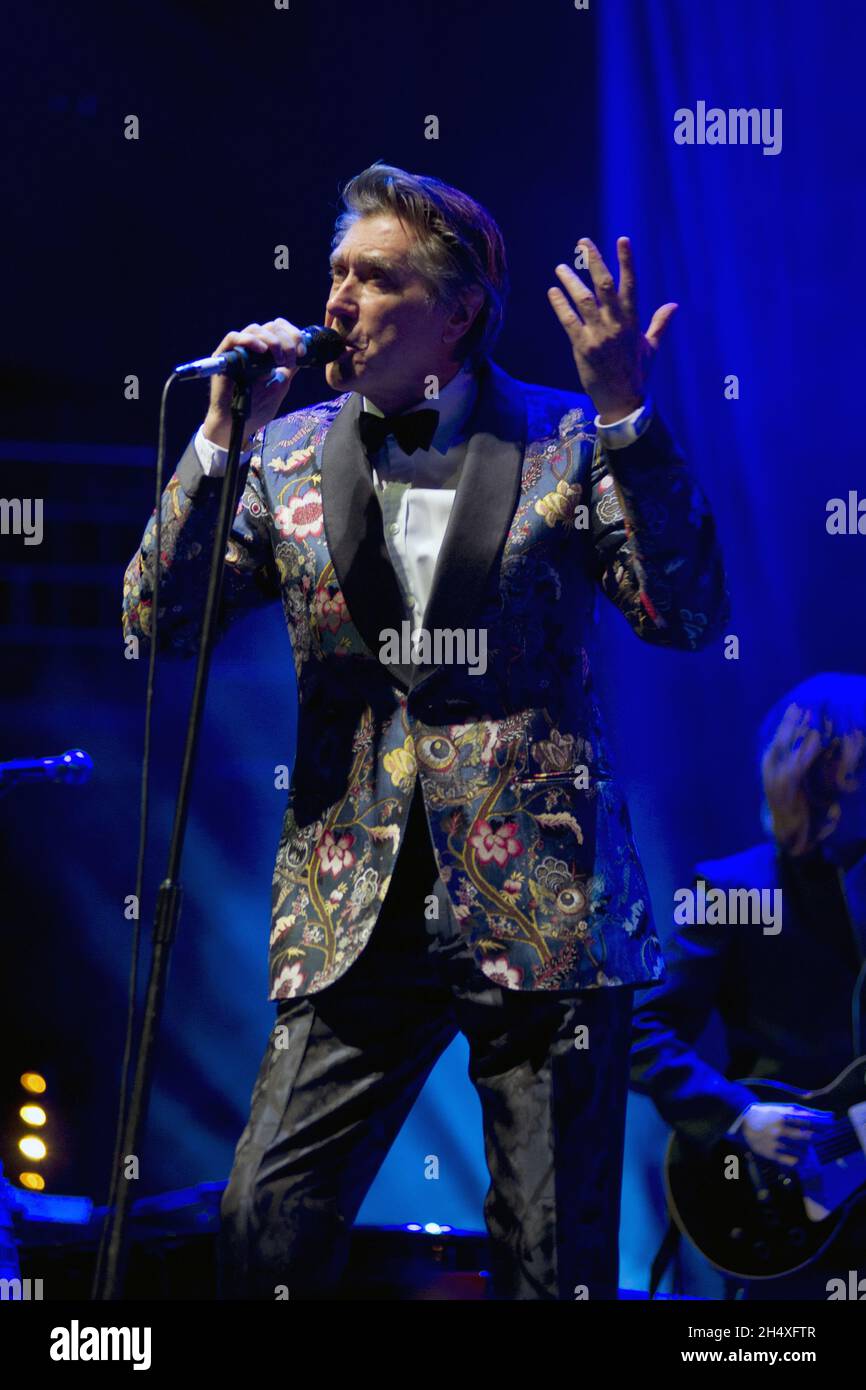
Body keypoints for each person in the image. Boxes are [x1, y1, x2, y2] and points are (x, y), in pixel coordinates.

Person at [122, 162, 727, 1300]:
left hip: (540, 907)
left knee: (552, 1262)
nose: (337, 300)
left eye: (376, 277)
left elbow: (686, 614)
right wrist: (216, 446)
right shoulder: (286, 452)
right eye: (334, 271)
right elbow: (153, 618)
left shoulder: (567, 438)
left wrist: (627, 417)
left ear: (458, 310)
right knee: (263, 1226)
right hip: (353, 908)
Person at [631, 673, 866, 1299]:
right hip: (780, 1199)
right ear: (821, 767)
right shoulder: (732, 889)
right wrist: (740, 1116)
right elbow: (641, 1031)